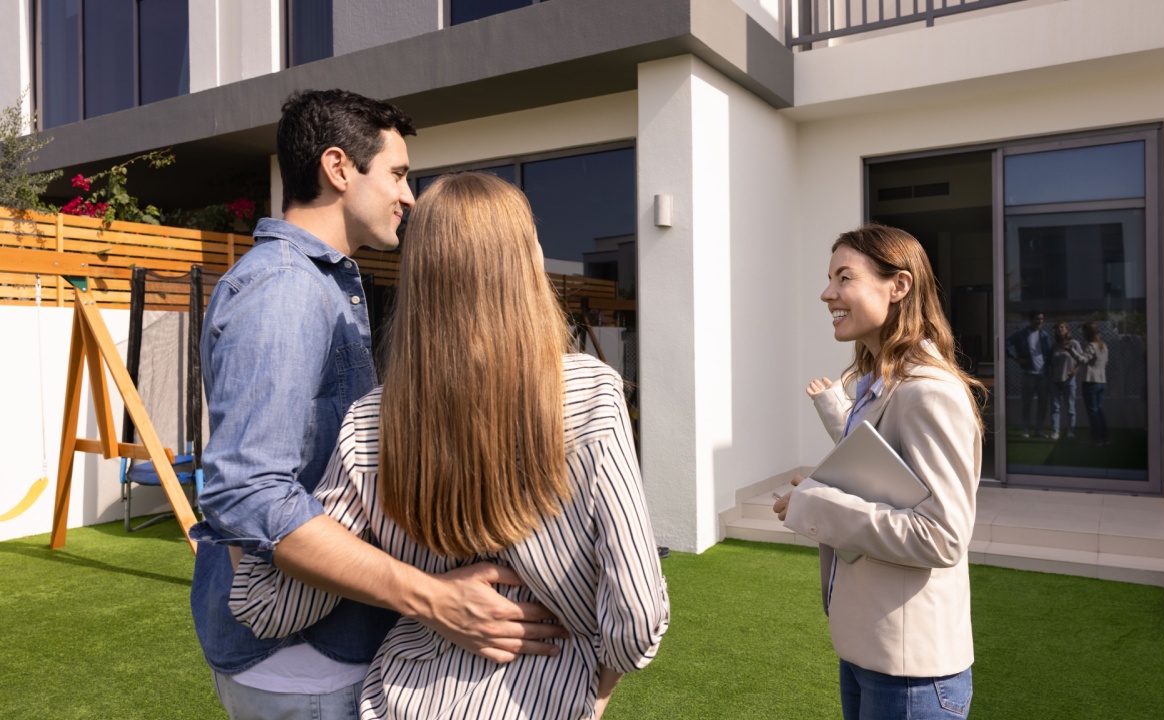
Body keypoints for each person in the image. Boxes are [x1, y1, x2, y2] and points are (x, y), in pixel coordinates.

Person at [226, 172, 670, 720]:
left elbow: (269, 606)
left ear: (421, 275)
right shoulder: (590, 393)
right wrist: (596, 693)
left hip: (403, 702)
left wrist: (237, 508)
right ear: (526, 263)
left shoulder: (370, 422)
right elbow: (637, 614)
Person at [193, 91, 566, 720]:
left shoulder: (322, 283)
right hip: (299, 658)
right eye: (396, 173)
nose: (410, 196)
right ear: (339, 169)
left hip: (326, 645)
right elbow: (246, 492)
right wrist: (432, 597)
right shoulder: (284, 290)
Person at [774, 223, 984, 720]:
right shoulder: (886, 385)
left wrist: (816, 504)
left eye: (844, 277)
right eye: (830, 279)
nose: (828, 294)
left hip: (911, 674)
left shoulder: (928, 392)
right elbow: (881, 470)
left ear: (899, 286)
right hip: (873, 649)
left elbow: (941, 536)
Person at [1005, 311, 1052, 438]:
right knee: (1027, 402)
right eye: (1037, 319)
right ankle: (1026, 429)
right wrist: (1015, 358)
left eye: (1042, 319)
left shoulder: (1044, 335)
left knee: (1043, 403)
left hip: (1043, 374)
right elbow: (1005, 343)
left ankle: (1039, 429)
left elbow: (1048, 352)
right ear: (1031, 320)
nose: (1040, 321)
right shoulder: (1021, 335)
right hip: (1028, 373)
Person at [1048, 322, 1084, 440]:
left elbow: (1081, 360)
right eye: (1057, 327)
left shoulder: (1074, 344)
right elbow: (1050, 363)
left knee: (1070, 407)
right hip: (1055, 380)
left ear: (1067, 330)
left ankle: (1070, 431)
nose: (1059, 329)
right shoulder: (1054, 346)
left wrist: (1075, 372)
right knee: (1055, 407)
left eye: (1061, 327)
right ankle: (1055, 432)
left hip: (1069, 380)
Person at [1079, 321, 1110, 446]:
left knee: (1092, 412)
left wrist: (1071, 351)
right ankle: (1105, 438)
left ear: (1087, 333)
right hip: (1101, 381)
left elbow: (1083, 359)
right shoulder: (1103, 346)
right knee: (1098, 410)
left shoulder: (1091, 345)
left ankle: (1096, 439)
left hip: (1090, 381)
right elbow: (1105, 363)